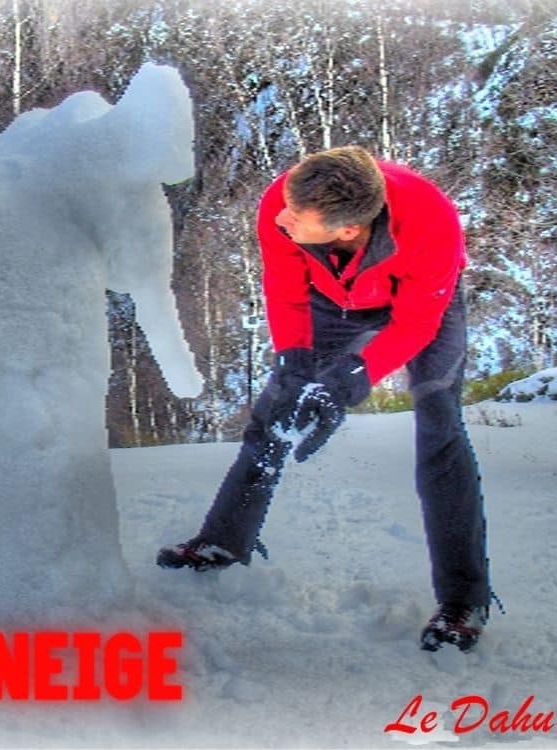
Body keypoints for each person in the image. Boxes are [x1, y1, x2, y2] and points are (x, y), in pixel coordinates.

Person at [157, 145, 497, 653]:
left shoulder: (431, 221)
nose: (281, 218)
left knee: (440, 427)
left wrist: (347, 384)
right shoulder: (285, 198)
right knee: (274, 415)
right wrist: (295, 360)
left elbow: (414, 325)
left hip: (421, 306)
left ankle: (463, 601)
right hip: (330, 297)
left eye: (296, 218)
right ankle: (224, 542)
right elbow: (285, 287)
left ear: (348, 230)